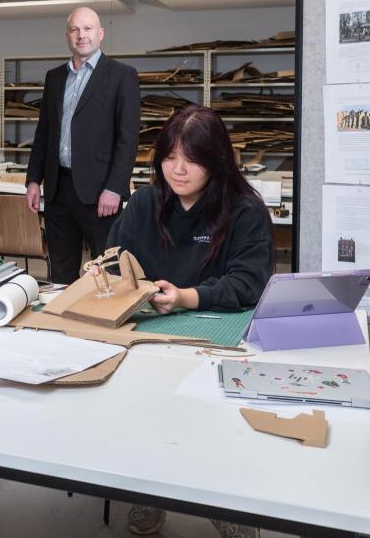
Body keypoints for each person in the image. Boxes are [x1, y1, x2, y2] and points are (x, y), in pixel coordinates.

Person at [101, 106, 272, 538]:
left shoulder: (244, 210)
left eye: (191, 159)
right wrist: (125, 288)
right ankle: (151, 492)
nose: (178, 169)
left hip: (216, 333)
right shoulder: (145, 203)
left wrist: (185, 297)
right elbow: (113, 262)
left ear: (216, 160)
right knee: (144, 413)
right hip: (149, 332)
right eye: (170, 156)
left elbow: (248, 284)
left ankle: (226, 503)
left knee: (213, 423)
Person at [25, 6, 139, 283]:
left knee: (108, 271)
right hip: (58, 190)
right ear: (67, 35)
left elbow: (128, 139)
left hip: (101, 193)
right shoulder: (54, 77)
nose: (81, 35)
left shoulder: (122, 75)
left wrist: (115, 188)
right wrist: (33, 180)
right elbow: (44, 133)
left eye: (88, 28)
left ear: (101, 33)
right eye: (74, 29)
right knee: (60, 271)